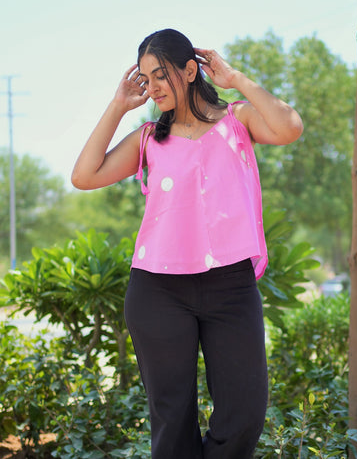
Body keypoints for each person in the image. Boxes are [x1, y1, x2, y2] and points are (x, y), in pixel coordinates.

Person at [72, 28, 303, 459]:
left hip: (231, 287)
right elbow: (84, 176)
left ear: (191, 70)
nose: (154, 86)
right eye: (146, 78)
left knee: (245, 415)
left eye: (162, 75)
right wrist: (118, 106)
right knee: (173, 422)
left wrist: (236, 78)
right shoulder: (148, 138)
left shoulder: (237, 120)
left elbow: (290, 126)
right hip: (158, 290)